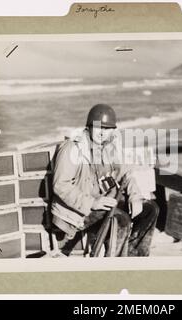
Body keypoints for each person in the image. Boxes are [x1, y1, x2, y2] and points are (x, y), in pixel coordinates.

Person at [51, 103, 159, 257]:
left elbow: (126, 173)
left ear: (113, 130)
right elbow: (60, 185)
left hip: (103, 202)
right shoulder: (73, 148)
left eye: (107, 129)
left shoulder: (109, 147)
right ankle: (112, 266)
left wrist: (135, 196)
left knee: (150, 209)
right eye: (98, 127)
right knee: (121, 219)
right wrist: (92, 203)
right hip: (77, 210)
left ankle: (134, 257)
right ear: (89, 127)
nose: (102, 133)